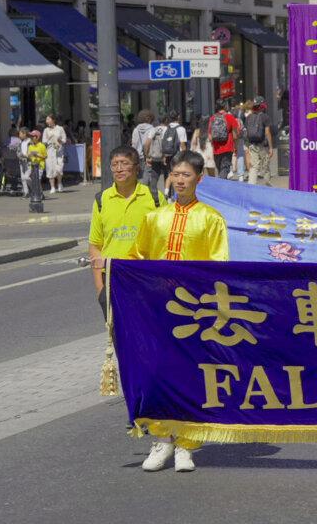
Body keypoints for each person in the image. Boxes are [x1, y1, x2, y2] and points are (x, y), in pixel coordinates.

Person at [130, 150, 229, 473]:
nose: (180, 180)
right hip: (157, 310)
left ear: (199, 179)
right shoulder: (154, 218)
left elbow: (218, 267)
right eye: (176, 174)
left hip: (194, 313)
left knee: (190, 374)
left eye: (187, 175)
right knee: (157, 372)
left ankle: (187, 444)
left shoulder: (211, 219)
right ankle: (161, 440)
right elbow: (137, 259)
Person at [88, 145, 165, 317]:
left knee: (148, 329)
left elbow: (166, 241)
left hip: (146, 278)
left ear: (137, 168)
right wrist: (100, 289)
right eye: (115, 164)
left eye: (124, 163)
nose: (119, 169)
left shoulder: (154, 198)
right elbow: (95, 246)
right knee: (117, 332)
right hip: (113, 279)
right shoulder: (102, 200)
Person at [243, 96, 274, 186]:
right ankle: (267, 185)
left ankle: (251, 185)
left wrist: (247, 146)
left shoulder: (249, 117)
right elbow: (267, 132)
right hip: (263, 145)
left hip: (252, 145)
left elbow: (246, 132)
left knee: (254, 167)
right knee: (265, 166)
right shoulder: (265, 117)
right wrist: (271, 147)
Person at [208, 101, 241, 180]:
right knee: (224, 171)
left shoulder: (212, 118)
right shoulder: (230, 117)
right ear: (225, 106)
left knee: (220, 170)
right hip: (228, 149)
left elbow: (210, 136)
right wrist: (236, 147)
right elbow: (235, 136)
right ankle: (219, 186)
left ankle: (221, 184)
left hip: (216, 150)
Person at [42, 114, 67, 193]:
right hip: (49, 151)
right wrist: (49, 138)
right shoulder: (46, 130)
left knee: (59, 168)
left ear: (53, 120)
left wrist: (60, 140)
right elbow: (44, 142)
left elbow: (64, 139)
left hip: (59, 151)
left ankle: (59, 183)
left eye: (48, 119)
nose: (47, 121)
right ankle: (52, 187)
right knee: (50, 169)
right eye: (46, 120)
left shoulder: (60, 128)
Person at [26, 130, 47, 199]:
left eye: (33, 136)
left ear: (37, 137)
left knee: (37, 180)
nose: (31, 138)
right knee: (27, 178)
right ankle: (35, 192)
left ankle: (40, 194)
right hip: (32, 165)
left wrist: (37, 155)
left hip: (40, 166)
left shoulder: (42, 145)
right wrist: (29, 155)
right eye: (31, 136)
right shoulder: (30, 146)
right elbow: (28, 155)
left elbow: (45, 156)